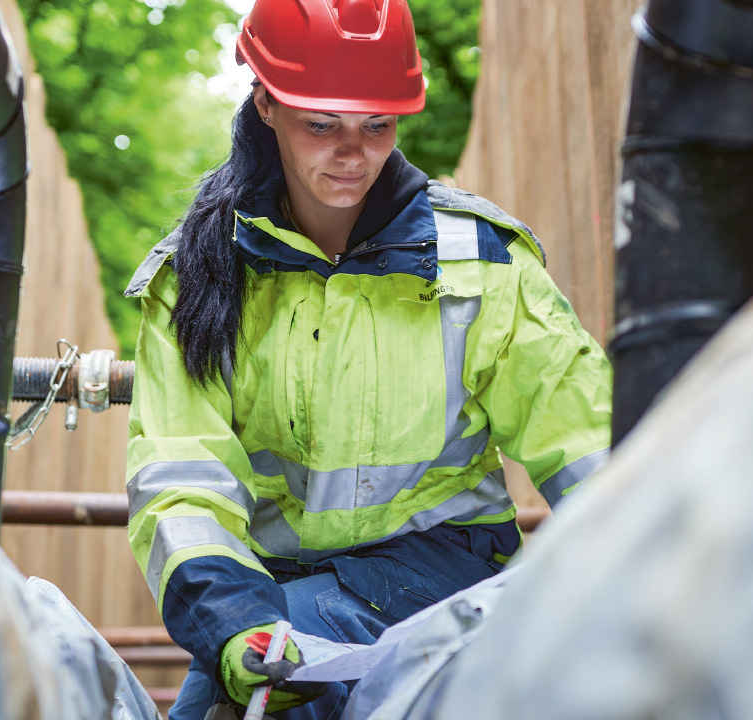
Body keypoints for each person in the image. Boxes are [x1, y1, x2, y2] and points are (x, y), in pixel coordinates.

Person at [122, 0, 612, 717]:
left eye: (376, 125)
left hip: (443, 570)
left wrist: (657, 567)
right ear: (264, 102)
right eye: (322, 125)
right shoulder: (196, 279)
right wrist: (232, 624)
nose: (352, 153)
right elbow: (181, 476)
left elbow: (585, 438)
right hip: (264, 588)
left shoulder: (479, 262)